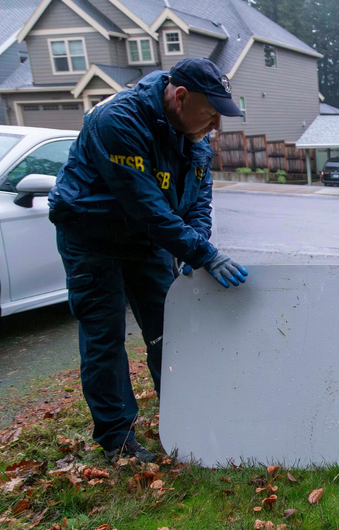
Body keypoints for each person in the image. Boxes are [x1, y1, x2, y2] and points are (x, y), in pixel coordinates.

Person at [49, 58, 249, 464]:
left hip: (146, 239)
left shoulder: (194, 138)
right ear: (180, 97)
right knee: (105, 337)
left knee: (170, 332)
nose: (216, 127)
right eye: (211, 114)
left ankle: (183, 417)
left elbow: (198, 202)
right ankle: (117, 440)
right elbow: (146, 205)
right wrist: (203, 253)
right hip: (91, 235)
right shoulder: (117, 120)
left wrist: (197, 246)